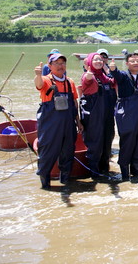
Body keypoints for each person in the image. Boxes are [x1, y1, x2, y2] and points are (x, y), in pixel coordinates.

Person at [34, 53, 82, 189]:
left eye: (63, 63)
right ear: (50, 66)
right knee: (47, 152)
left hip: (68, 122)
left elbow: (74, 102)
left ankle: (65, 181)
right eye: (57, 63)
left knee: (68, 152)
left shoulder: (69, 82)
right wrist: (37, 75)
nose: (60, 66)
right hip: (50, 123)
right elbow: (38, 85)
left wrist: (78, 121)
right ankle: (45, 185)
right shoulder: (45, 80)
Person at [109, 53, 138, 180]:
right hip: (127, 116)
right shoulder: (123, 76)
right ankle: (124, 175)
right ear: (127, 64)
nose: (136, 63)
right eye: (132, 61)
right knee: (127, 143)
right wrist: (113, 69)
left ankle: (137, 173)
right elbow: (116, 74)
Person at [80, 52, 117, 178]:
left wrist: (111, 71)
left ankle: (105, 170)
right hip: (93, 115)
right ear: (89, 62)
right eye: (95, 60)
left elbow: (114, 82)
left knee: (107, 141)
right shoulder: (88, 76)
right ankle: (94, 173)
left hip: (107, 114)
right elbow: (86, 81)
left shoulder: (104, 77)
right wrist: (89, 76)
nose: (98, 62)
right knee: (95, 143)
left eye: (100, 60)